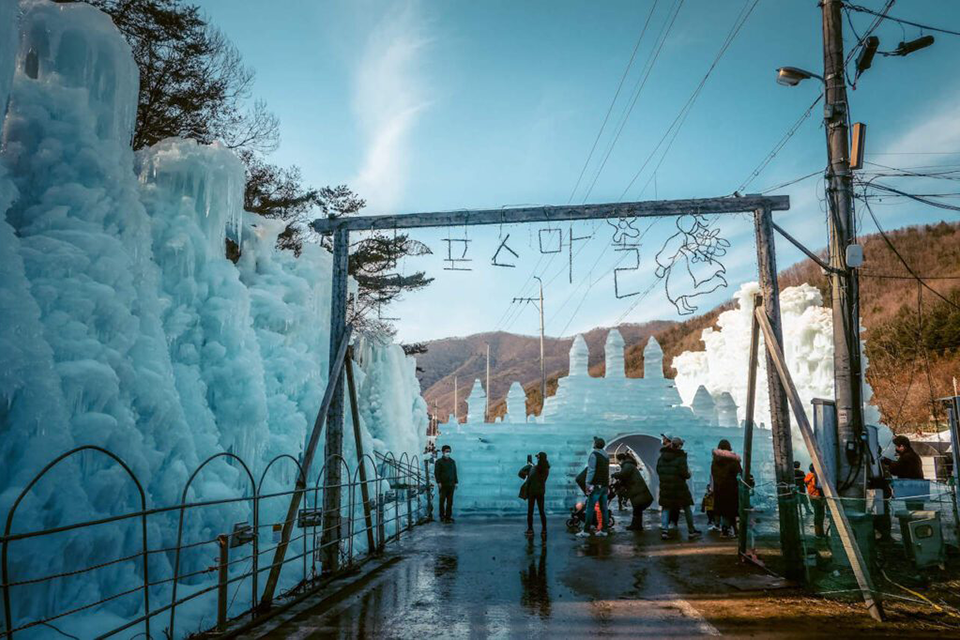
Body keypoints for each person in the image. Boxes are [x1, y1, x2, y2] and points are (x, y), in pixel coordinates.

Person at [656, 437, 700, 540]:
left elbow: (658, 470)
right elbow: (684, 473)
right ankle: (691, 530)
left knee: (666, 507)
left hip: (666, 487)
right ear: (679, 446)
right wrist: (688, 474)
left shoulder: (661, 457)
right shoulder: (681, 458)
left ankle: (664, 530)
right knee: (686, 507)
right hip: (679, 487)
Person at [577, 437, 611, 538]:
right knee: (604, 508)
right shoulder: (606, 456)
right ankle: (604, 530)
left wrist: (587, 484)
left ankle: (586, 531)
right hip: (604, 486)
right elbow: (606, 471)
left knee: (590, 508)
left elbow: (591, 470)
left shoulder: (594, 455)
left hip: (596, 486)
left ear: (596, 444)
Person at [882, 434, 925, 511]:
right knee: (917, 510)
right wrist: (889, 462)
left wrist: (888, 464)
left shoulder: (906, 457)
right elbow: (900, 465)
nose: (895, 449)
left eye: (896, 447)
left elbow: (897, 469)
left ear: (902, 446)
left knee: (913, 511)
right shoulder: (913, 455)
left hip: (911, 489)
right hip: (917, 488)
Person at [613, 452, 653, 531]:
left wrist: (615, 474)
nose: (618, 462)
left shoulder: (627, 465)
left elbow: (623, 474)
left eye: (618, 460)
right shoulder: (629, 465)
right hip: (637, 488)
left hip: (636, 489)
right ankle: (636, 525)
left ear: (621, 459)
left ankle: (636, 526)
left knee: (637, 507)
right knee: (637, 508)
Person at [711, 439, 742, 538]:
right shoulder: (733, 460)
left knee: (723, 509)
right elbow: (739, 473)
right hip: (731, 488)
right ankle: (726, 530)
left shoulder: (715, 460)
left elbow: (713, 473)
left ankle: (731, 530)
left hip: (719, 488)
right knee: (730, 510)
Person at [520, 452, 550, 539]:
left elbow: (528, 475)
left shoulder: (533, 468)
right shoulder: (546, 469)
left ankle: (530, 530)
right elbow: (539, 475)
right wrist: (532, 466)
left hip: (532, 492)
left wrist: (529, 465)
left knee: (530, 512)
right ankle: (544, 530)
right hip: (541, 492)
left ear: (539, 458)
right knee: (542, 512)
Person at [435, 444, 458, 523]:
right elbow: (437, 473)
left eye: (449, 451)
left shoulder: (452, 461)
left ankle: (448, 517)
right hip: (443, 485)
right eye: (446, 451)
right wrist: (438, 482)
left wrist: (456, 482)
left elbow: (454, 472)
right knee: (442, 501)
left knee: (450, 502)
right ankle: (442, 516)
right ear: (443, 452)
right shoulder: (439, 462)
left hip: (451, 484)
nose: (448, 453)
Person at [805, 464, 826, 538]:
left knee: (817, 515)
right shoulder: (814, 476)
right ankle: (819, 534)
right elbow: (817, 485)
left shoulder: (808, 476)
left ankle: (819, 533)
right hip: (818, 498)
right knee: (820, 515)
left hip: (812, 497)